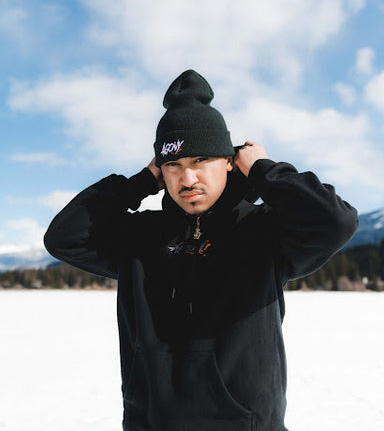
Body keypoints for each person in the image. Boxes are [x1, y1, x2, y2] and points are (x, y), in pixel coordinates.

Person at [44, 69, 359, 431]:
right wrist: (138, 183)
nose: (187, 178)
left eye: (200, 160)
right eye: (173, 165)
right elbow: (63, 237)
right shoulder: (140, 237)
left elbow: (335, 222)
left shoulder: (264, 231)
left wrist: (263, 170)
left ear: (228, 160)